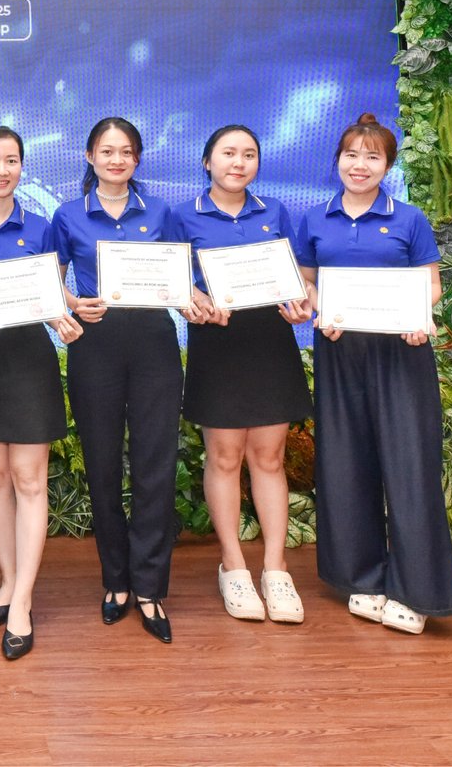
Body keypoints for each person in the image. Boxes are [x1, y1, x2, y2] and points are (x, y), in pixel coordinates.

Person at [294, 113, 452, 635]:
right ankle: (362, 578)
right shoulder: (315, 219)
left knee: (410, 466)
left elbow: (431, 285)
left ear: (388, 166)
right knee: (346, 464)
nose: (360, 165)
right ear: (337, 161)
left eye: (372, 157)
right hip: (339, 352)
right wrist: (319, 308)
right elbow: (305, 281)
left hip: (401, 353)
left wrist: (418, 317)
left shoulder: (408, 218)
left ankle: (418, 591)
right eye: (352, 155)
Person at [168, 125, 314, 624]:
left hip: (270, 341)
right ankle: (232, 565)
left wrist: (301, 303)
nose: (238, 162)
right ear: (207, 161)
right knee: (224, 457)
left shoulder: (275, 211)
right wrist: (193, 297)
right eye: (228, 153)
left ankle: (276, 568)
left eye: (249, 154)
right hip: (217, 342)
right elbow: (173, 279)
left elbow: (296, 278)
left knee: (269, 458)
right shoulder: (183, 215)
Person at [49, 116, 184, 644]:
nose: (116, 160)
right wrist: (72, 303)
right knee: (102, 464)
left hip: (154, 343)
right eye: (107, 151)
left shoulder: (161, 212)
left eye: (126, 151)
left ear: (137, 159)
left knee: (155, 465)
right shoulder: (68, 215)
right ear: (90, 157)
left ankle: (149, 586)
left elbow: (180, 277)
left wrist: (190, 300)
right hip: (95, 344)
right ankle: (116, 581)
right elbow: (52, 280)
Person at [0, 127, 83, 661]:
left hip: (29, 363)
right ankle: (7, 581)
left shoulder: (41, 226)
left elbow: (50, 294)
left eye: (11, 161)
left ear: (22, 168)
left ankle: (23, 600)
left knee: (29, 479)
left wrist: (62, 317)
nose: (2, 170)